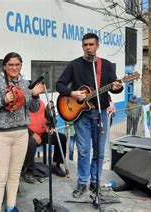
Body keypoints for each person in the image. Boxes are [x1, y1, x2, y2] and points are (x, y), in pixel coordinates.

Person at [56, 33, 123, 198]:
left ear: (97, 46)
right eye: (85, 45)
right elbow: (59, 84)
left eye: (91, 44)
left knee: (99, 152)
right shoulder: (74, 65)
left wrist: (117, 87)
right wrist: (72, 93)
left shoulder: (105, 65)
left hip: (101, 113)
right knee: (84, 151)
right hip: (81, 116)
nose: (88, 47)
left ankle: (95, 182)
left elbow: (116, 87)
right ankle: (81, 183)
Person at [0, 52, 43, 212]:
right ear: (4, 66)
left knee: (15, 174)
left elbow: (33, 108)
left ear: (21, 66)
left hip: (21, 134)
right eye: (10, 65)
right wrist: (3, 100)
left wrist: (35, 96)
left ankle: (10, 207)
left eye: (17, 65)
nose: (14, 68)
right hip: (0, 135)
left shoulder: (25, 84)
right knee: (1, 175)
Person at [22, 99, 67, 184]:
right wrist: (32, 134)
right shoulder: (24, 103)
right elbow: (20, 123)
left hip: (42, 133)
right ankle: (28, 171)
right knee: (31, 143)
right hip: (28, 134)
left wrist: (49, 124)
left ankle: (55, 165)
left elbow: (47, 118)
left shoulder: (41, 103)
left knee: (61, 138)